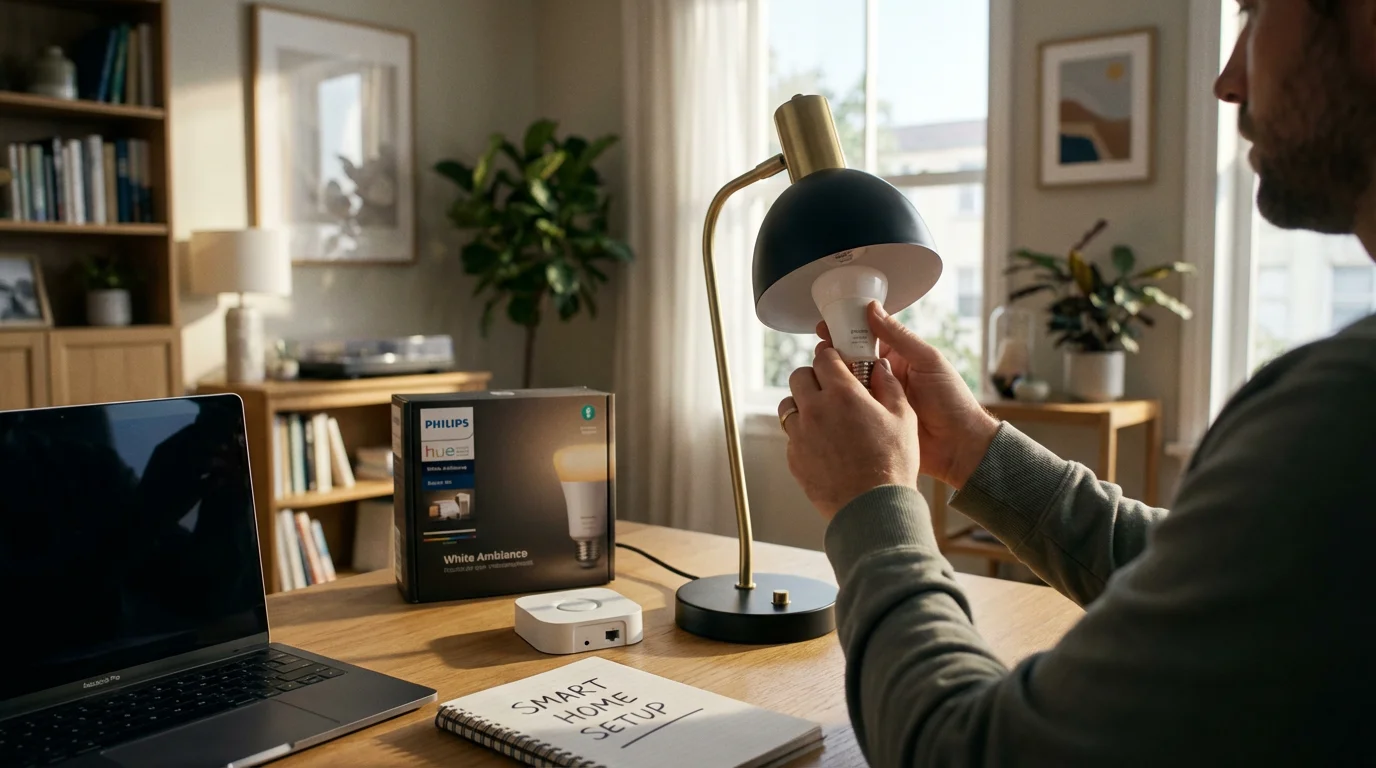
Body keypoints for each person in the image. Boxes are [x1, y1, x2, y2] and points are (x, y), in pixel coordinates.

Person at [777, 1, 1376, 764]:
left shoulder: (1346, 415)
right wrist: (970, 449)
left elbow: (969, 752)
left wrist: (870, 504)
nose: (1227, 80)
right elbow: (1213, 578)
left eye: (1256, 13)